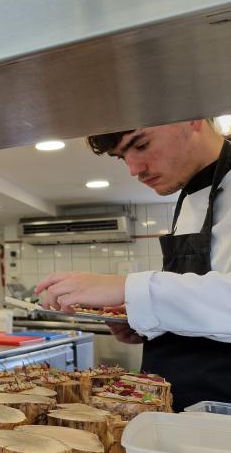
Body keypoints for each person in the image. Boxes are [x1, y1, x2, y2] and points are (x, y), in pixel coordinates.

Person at [37, 118, 231, 410]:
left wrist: (127, 287)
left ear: (192, 116)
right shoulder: (190, 193)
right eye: (122, 157)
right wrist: (146, 320)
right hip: (176, 414)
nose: (133, 170)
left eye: (141, 144)